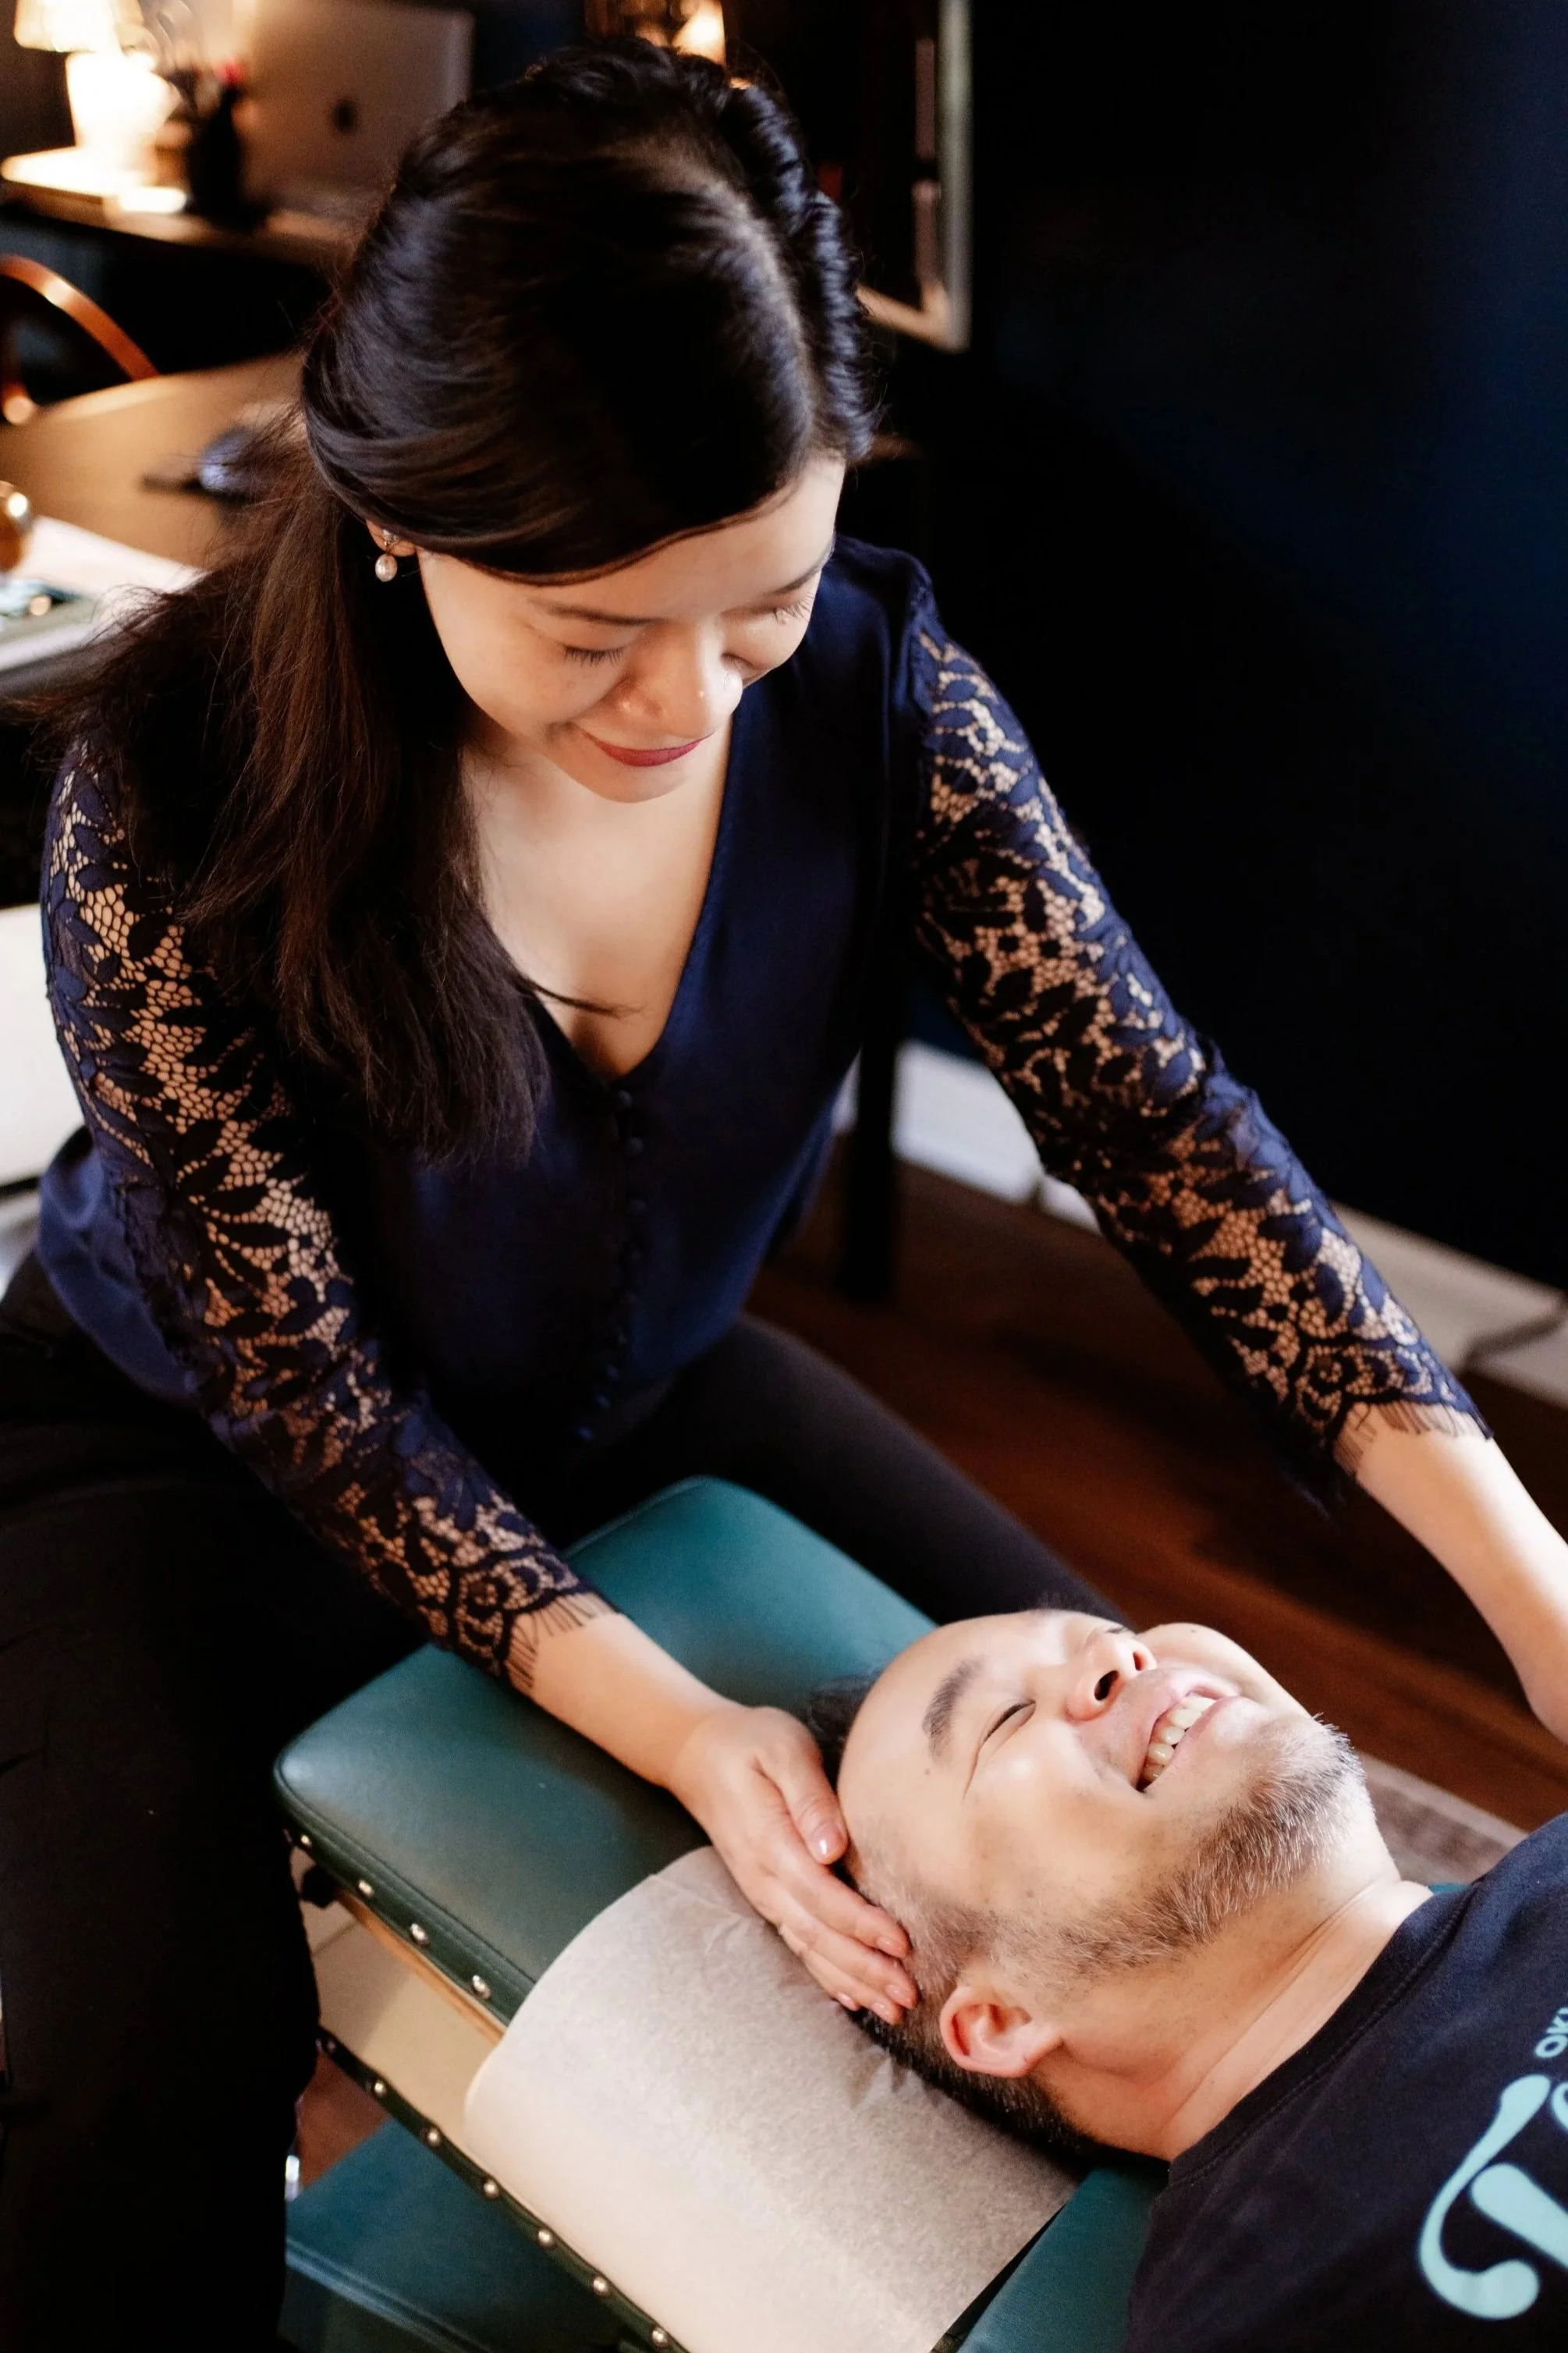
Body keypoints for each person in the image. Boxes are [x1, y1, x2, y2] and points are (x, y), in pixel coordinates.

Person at [2, 35, 1567, 2348]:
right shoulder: (172, 798)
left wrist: (1530, 1588)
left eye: (760, 609)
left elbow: (1164, 1140)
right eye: (594, 635)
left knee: (1130, 1878)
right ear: (400, 518)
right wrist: (689, 1737)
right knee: (134, 2037)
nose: (691, 707)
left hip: (625, 1390)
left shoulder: (877, 701)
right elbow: (314, 1401)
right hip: (174, 1458)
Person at [815, 1606, 1568, 2348]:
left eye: (1112, 1634)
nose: (1123, 1658)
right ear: (1004, 2019)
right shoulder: (1243, 2314)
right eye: (1006, 1717)